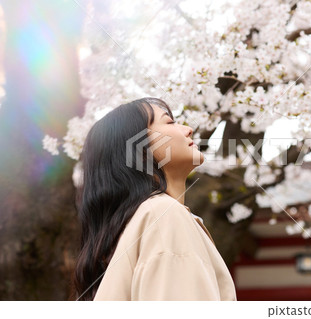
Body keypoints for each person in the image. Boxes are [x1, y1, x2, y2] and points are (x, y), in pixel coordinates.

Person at [72, 97, 237, 301]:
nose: (188, 129)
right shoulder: (163, 216)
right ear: (138, 149)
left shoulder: (145, 221)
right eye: (169, 122)